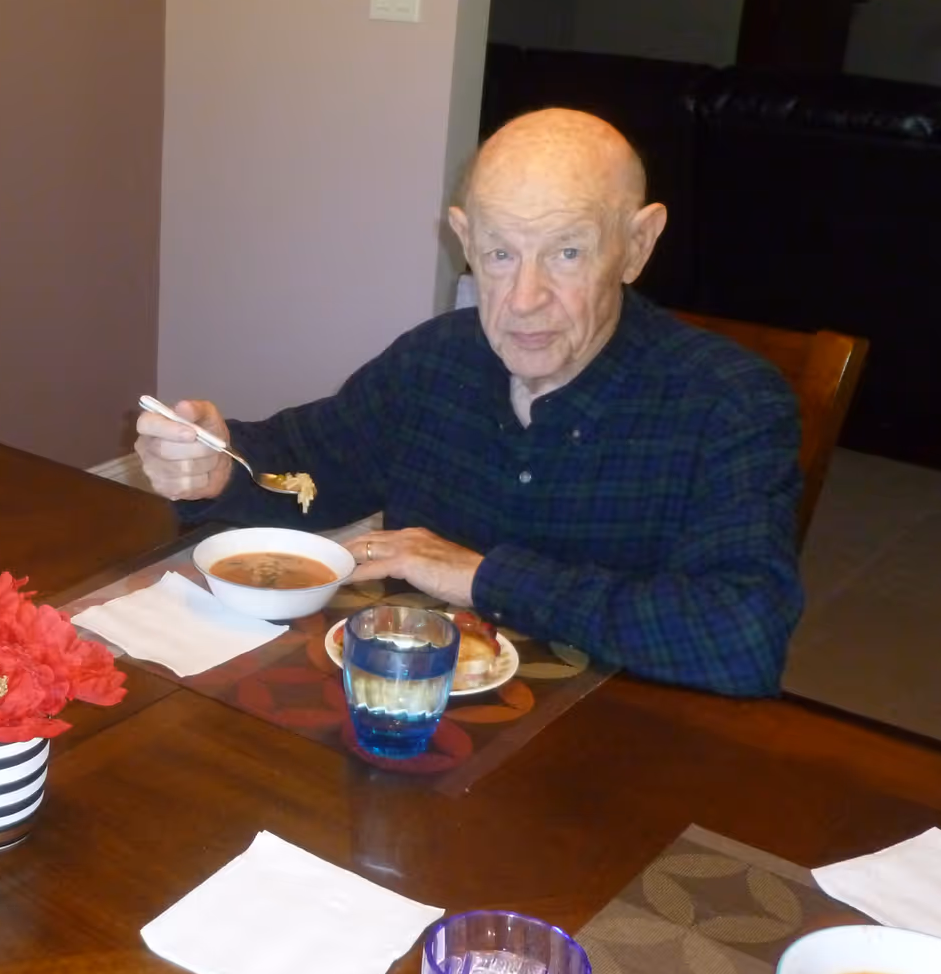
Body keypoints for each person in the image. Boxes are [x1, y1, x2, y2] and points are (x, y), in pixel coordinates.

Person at [135, 108, 804, 696]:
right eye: (499, 254)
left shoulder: (728, 404)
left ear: (636, 244)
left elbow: (741, 637)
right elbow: (311, 465)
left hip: (611, 761)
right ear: (463, 237)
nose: (524, 299)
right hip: (408, 719)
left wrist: (484, 578)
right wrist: (218, 466)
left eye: (567, 252)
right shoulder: (434, 361)